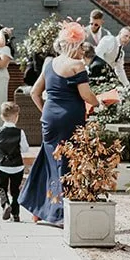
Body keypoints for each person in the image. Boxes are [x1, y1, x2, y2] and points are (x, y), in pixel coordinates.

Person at [20, 22, 97, 226]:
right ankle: (60, 213)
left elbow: (35, 93)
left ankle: (37, 208)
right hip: (70, 119)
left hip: (50, 118)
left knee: (48, 159)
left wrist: (45, 110)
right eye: (81, 46)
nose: (83, 50)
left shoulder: (49, 64)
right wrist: (100, 102)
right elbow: (86, 95)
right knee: (66, 162)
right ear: (73, 46)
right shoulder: (77, 66)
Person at [0, 102, 27, 221]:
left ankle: (5, 204)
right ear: (17, 117)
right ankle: (16, 215)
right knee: (15, 190)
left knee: (1, 188)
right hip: (17, 166)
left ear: (2, 117)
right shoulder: (20, 132)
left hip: (2, 165)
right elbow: (25, 149)